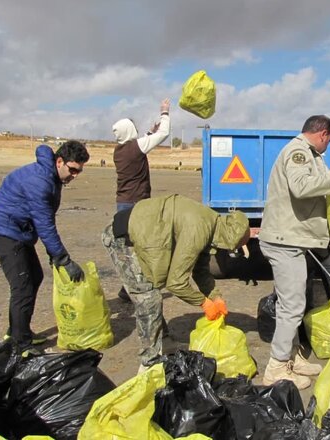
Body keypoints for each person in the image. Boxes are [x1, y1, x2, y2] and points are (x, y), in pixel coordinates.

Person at [259, 115, 330, 390]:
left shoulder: (310, 154)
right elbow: (301, 187)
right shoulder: (298, 152)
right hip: (284, 241)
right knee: (292, 306)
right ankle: (277, 366)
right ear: (324, 133)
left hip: (292, 239)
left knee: (291, 304)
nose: (329, 144)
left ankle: (292, 356)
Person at [102, 194, 250, 371]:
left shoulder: (212, 223)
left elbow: (201, 270)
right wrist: (203, 303)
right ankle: (149, 364)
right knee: (148, 298)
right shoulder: (200, 229)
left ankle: (163, 342)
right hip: (123, 239)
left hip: (141, 234)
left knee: (151, 292)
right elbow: (176, 283)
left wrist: (215, 297)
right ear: (229, 238)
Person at [0, 141, 90, 354]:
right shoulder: (40, 181)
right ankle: (20, 345)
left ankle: (18, 330)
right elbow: (45, 224)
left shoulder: (51, 174)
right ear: (59, 161)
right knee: (22, 286)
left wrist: (54, 254)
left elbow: (45, 220)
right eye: (72, 170)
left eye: (79, 171)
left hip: (18, 231)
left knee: (35, 276)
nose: (75, 175)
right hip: (4, 233)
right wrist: (63, 259)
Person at [112, 98, 171, 302]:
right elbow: (164, 134)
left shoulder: (119, 151)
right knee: (142, 246)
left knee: (131, 248)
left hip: (123, 203)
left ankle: (127, 288)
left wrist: (149, 133)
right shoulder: (135, 148)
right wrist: (164, 113)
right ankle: (132, 287)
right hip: (137, 205)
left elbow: (139, 145)